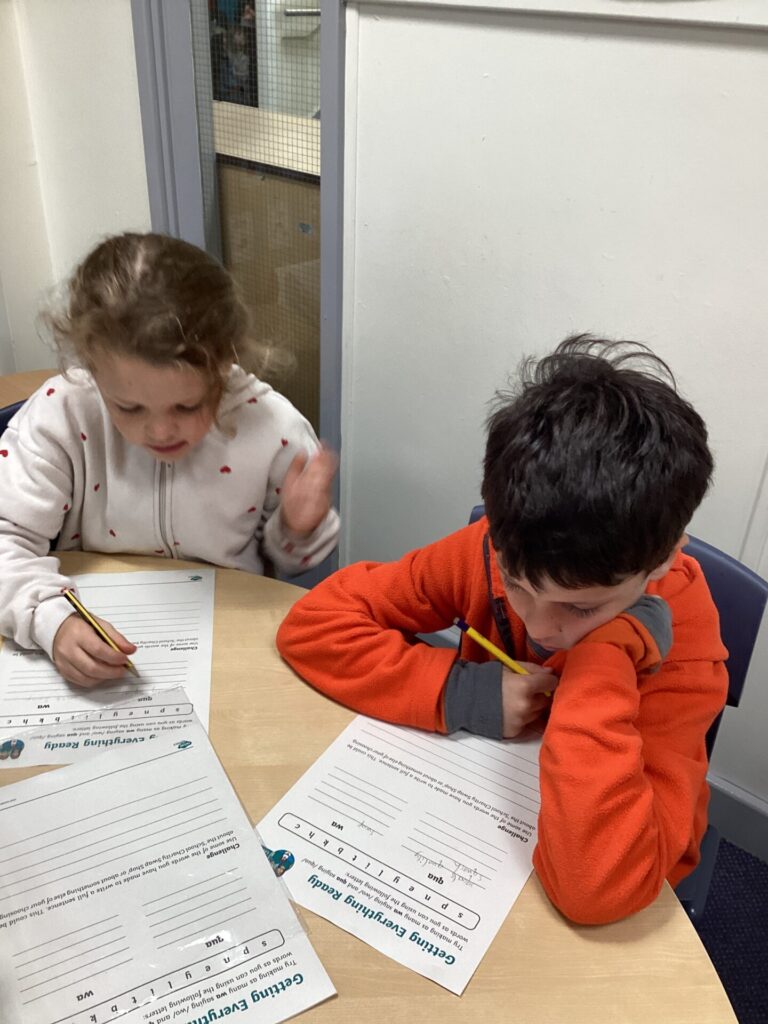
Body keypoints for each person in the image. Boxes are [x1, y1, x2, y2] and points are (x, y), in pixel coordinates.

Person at [276, 335, 728, 925]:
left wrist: (605, 654)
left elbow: (600, 887)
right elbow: (314, 625)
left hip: (604, 871)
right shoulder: (491, 547)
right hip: (467, 826)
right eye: (517, 586)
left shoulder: (682, 641)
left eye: (581, 609)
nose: (541, 626)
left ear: (664, 559)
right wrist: (466, 693)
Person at [0, 232, 338, 689]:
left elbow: (289, 567)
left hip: (230, 641)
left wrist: (296, 531)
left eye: (187, 405)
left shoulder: (273, 428)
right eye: (128, 407)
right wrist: (48, 619)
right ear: (92, 366)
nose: (159, 432)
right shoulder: (61, 412)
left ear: (226, 361)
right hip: (86, 622)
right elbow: (6, 540)